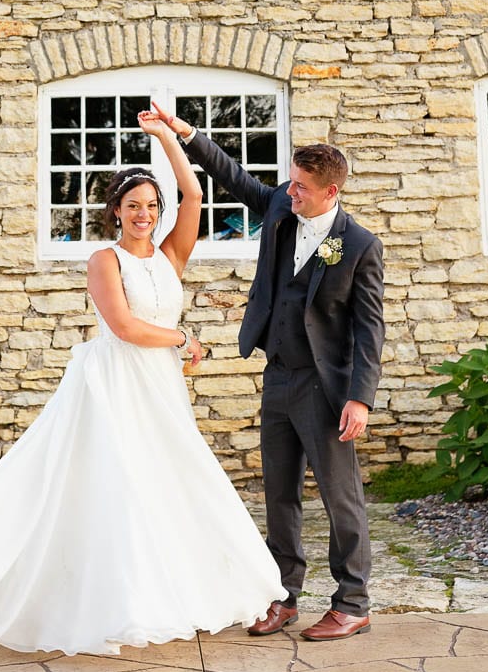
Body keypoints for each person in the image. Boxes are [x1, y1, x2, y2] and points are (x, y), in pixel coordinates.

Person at [0, 108, 284, 656]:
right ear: (117, 213)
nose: (144, 214)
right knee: (118, 486)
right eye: (133, 207)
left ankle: (168, 595)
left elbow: (194, 196)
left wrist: (170, 138)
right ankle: (108, 601)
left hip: (161, 388)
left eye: (151, 206)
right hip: (116, 385)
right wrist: (181, 339)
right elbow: (124, 327)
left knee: (171, 483)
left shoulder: (172, 255)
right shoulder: (105, 259)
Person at [149, 100, 384, 643]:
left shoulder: (359, 246)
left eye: (301, 186)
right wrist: (185, 132)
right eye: (290, 182)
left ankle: (353, 601)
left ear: (331, 191)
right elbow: (234, 177)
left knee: (339, 494)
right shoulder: (282, 205)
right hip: (278, 374)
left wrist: (360, 399)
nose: (289, 190)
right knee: (278, 491)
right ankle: (283, 595)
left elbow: (370, 329)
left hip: (326, 388)